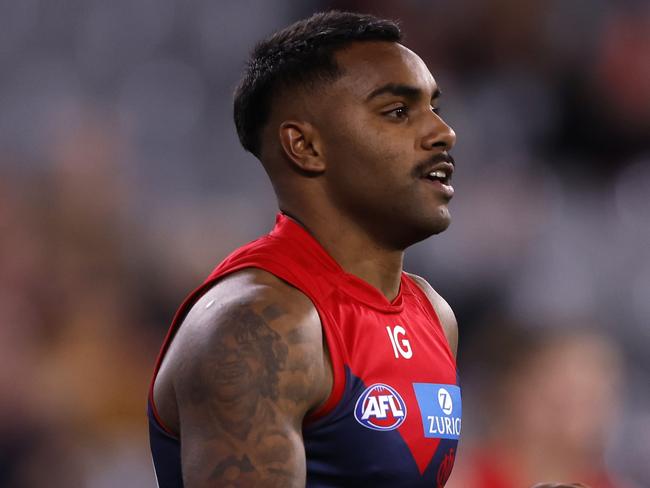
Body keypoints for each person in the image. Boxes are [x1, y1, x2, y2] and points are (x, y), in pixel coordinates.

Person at [147, 11, 585, 488]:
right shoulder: (257, 327)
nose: (444, 132)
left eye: (435, 108)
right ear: (305, 147)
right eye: (398, 112)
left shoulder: (432, 315)